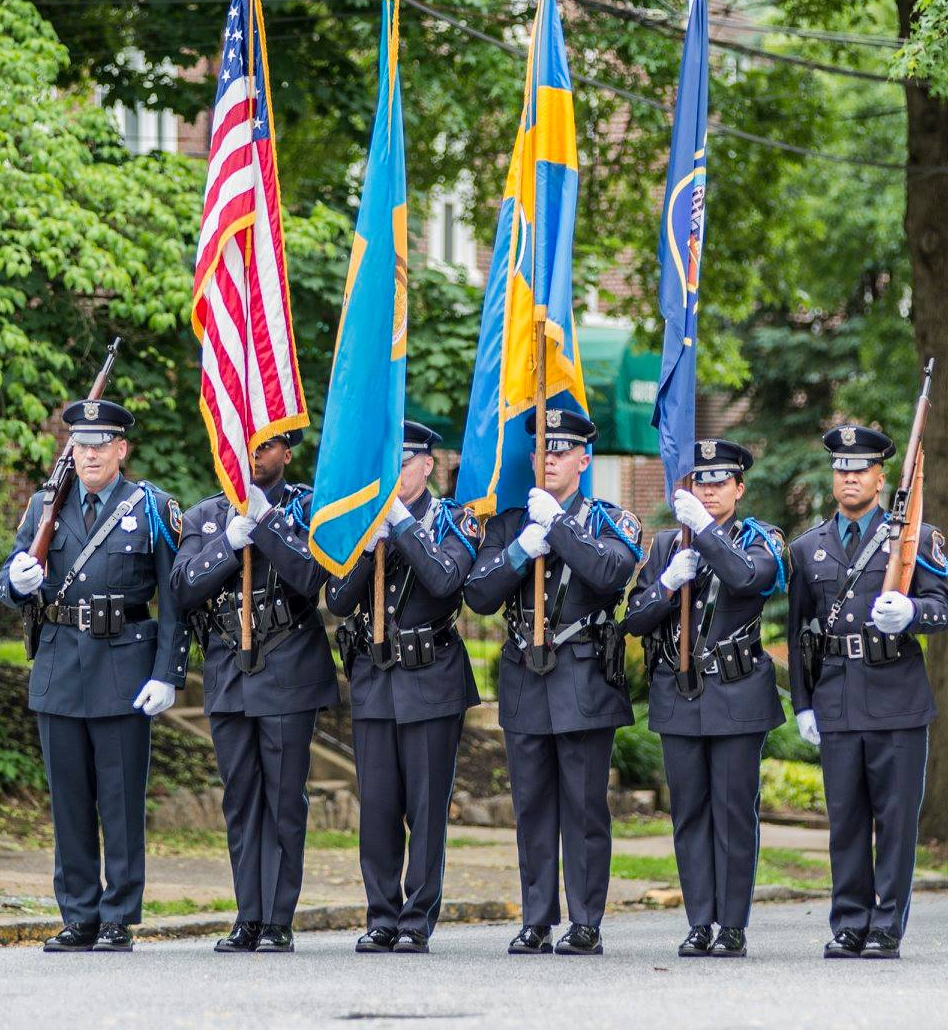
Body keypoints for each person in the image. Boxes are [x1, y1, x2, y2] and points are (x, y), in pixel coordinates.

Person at [0, 398, 188, 953]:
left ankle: (116, 916)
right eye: (81, 445)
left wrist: (168, 672)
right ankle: (78, 913)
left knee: (121, 800)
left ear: (122, 450)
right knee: (69, 801)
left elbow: (173, 598)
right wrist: (19, 579)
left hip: (124, 665)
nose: (90, 455)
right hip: (59, 665)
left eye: (101, 445)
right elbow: (6, 581)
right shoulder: (42, 506)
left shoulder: (150, 507)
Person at [462, 408, 642, 957]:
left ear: (584, 460)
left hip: (583, 676)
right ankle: (537, 918)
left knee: (585, 807)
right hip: (525, 677)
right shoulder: (510, 524)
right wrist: (523, 549)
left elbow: (612, 575)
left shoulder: (611, 519)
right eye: (542, 452)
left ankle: (585, 920)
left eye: (561, 452)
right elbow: (478, 595)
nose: (549, 460)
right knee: (533, 807)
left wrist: (560, 529)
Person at [786, 424, 948, 961]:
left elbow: (942, 608)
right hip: (837, 697)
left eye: (860, 468)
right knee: (847, 820)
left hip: (897, 698)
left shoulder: (914, 537)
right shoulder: (807, 547)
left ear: (882, 477)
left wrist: (911, 614)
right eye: (841, 468)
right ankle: (850, 922)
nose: (849, 477)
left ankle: (886, 925)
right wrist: (804, 702)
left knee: (896, 821)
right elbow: (798, 634)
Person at [171, 432, 337, 953]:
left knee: (284, 797)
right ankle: (248, 915)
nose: (253, 455)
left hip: (287, 664)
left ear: (286, 453)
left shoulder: (306, 508)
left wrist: (265, 525)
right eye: (244, 444)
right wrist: (229, 543)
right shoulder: (204, 517)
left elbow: (313, 577)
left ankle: (278, 918)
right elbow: (180, 588)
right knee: (241, 799)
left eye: (266, 445)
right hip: (228, 670)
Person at [623, 438, 787, 959]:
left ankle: (732, 924)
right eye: (701, 481)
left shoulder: (763, 539)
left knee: (734, 812)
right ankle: (698, 923)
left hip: (736, 695)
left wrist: (710, 533)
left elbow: (747, 578)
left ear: (739, 488)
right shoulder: (666, 546)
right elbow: (634, 618)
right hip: (679, 693)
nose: (710, 490)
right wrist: (667, 586)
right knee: (689, 813)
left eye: (720, 482)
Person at [326, 421, 482, 954]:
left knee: (425, 805)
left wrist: (402, 528)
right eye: (389, 461)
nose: (396, 472)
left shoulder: (452, 521)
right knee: (378, 807)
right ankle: (381, 916)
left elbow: (444, 581)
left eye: (406, 460)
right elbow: (338, 600)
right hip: (374, 679)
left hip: (431, 678)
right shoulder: (362, 522)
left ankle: (417, 918)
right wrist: (369, 548)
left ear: (427, 465)